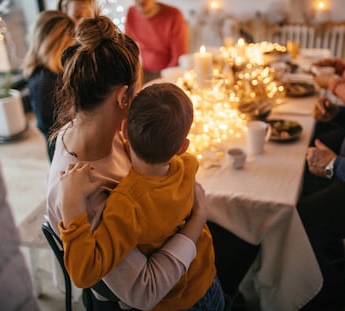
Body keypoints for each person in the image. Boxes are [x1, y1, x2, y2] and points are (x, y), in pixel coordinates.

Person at [47, 15, 214, 310]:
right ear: (124, 95)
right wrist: (198, 218)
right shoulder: (84, 190)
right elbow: (145, 291)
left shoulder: (101, 134)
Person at [59, 82, 224, 310]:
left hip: (174, 303)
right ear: (182, 147)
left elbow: (84, 273)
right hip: (209, 284)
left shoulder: (127, 205)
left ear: (124, 130)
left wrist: (71, 207)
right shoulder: (187, 166)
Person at [298, 2, 345, 309]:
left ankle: (327, 298)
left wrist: (334, 165)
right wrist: (338, 112)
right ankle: (331, 254)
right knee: (294, 187)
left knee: (293, 221)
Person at [22, 11, 75, 162]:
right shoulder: (45, 83)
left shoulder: (52, 74)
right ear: (56, 44)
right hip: (62, 151)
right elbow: (49, 127)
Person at [125, 0, 189, 83]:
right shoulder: (131, 12)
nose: (141, 1)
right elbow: (128, 46)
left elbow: (178, 57)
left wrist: (161, 79)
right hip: (142, 71)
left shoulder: (174, 15)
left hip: (166, 73)